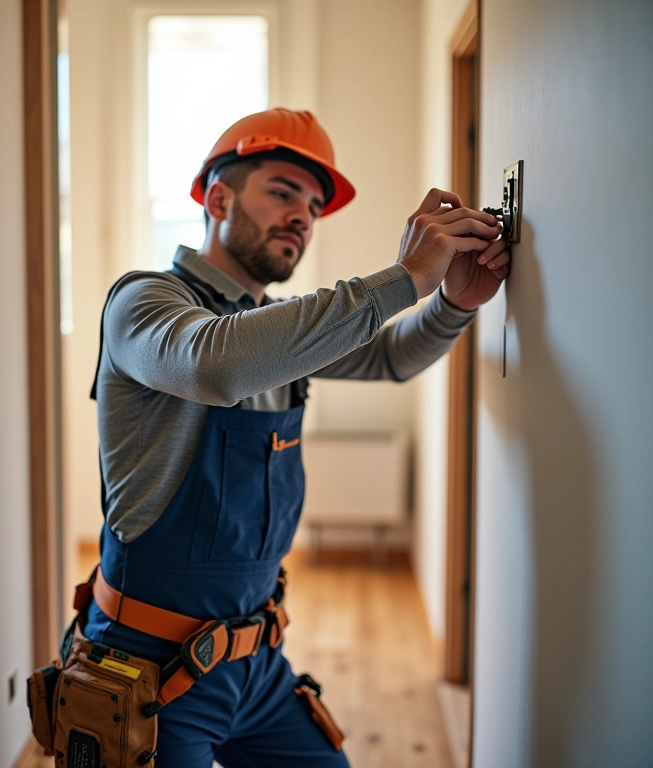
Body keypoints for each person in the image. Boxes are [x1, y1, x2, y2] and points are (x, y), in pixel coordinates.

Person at [80, 108, 509, 766]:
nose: (304, 216)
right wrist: (406, 280)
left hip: (255, 667)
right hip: (146, 673)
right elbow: (213, 365)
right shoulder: (144, 303)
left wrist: (453, 304)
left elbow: (392, 356)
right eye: (283, 192)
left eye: (313, 204)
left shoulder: (274, 330)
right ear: (218, 198)